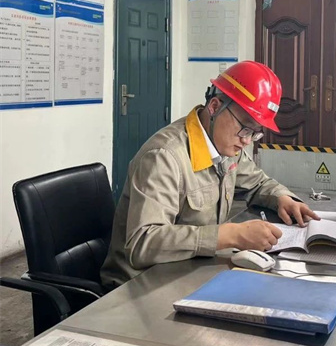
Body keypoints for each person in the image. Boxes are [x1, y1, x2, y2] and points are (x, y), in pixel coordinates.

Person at [101, 60, 320, 287]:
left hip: (189, 271)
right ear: (215, 107)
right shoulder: (164, 157)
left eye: (255, 133)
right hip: (138, 286)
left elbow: (258, 182)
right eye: (245, 128)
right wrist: (230, 235)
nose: (247, 141)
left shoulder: (227, 147)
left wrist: (282, 198)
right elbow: (142, 244)